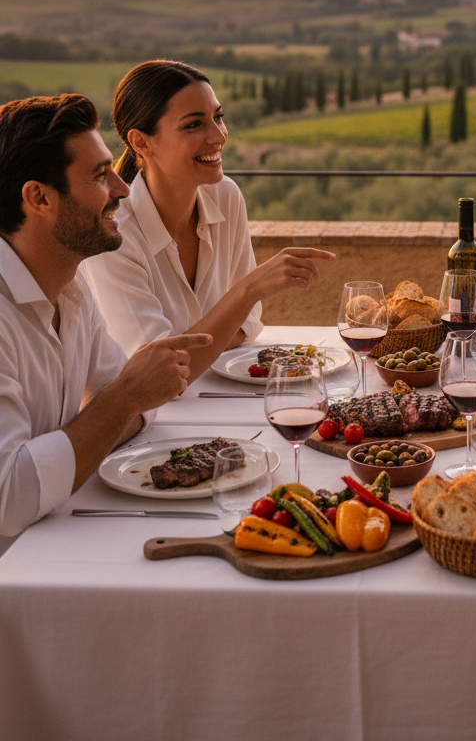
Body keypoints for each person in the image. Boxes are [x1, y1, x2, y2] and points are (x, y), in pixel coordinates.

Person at [0, 93, 214, 539]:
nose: (121, 188)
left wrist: (120, 404)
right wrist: (121, 402)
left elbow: (145, 401)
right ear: (39, 197)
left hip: (53, 536)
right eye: (101, 175)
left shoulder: (71, 288)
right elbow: (10, 498)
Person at [83, 60, 335, 356]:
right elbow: (156, 370)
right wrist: (249, 290)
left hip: (214, 396)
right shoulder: (113, 235)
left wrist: (194, 348)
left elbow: (249, 321)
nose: (218, 136)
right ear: (141, 142)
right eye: (193, 125)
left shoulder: (225, 196)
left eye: (218, 117)